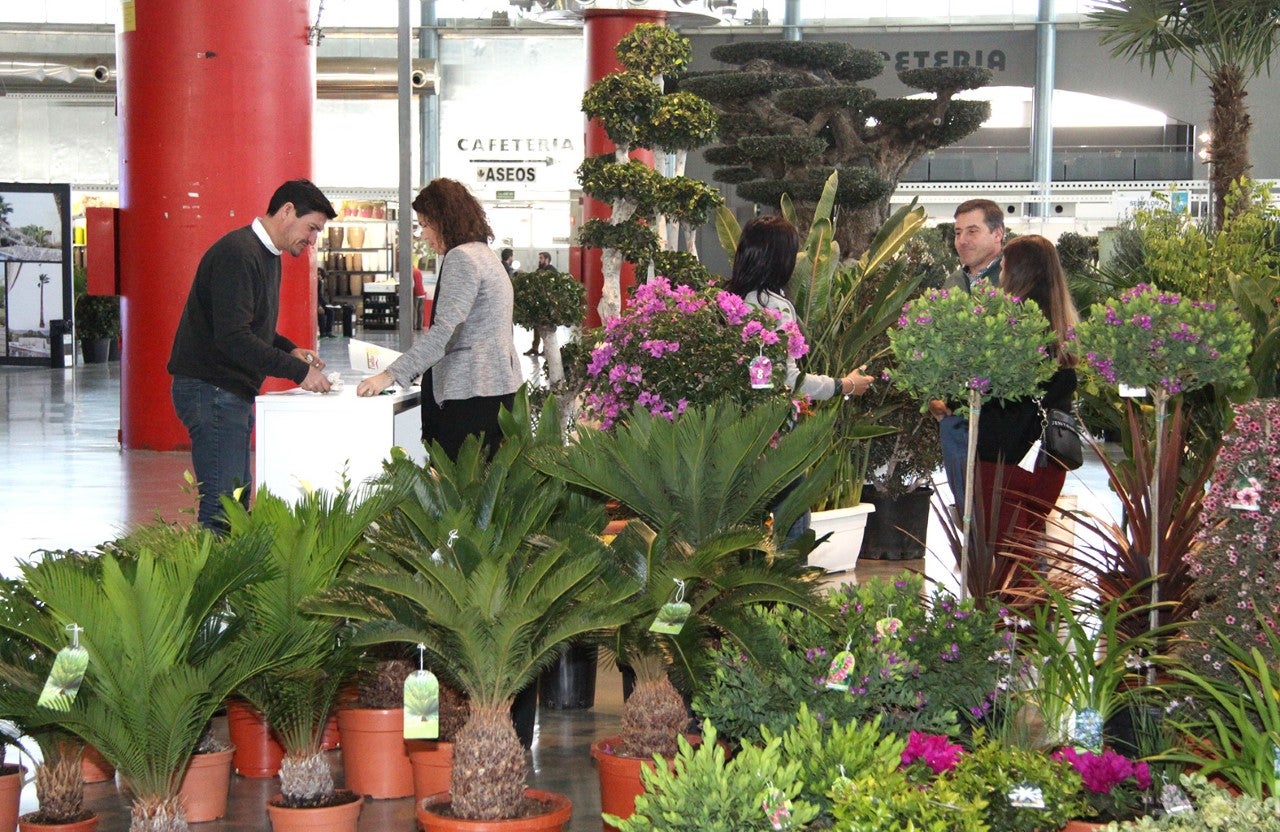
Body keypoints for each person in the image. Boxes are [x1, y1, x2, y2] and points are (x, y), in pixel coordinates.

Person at [168, 178, 336, 531]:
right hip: (213, 389)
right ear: (288, 211)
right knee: (223, 506)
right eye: (312, 228)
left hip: (227, 392)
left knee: (235, 500)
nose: (312, 240)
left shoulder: (264, 255)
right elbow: (233, 337)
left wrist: (290, 348)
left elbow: (249, 326)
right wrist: (298, 372)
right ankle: (213, 582)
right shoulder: (239, 253)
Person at [356, 178, 521, 462]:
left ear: (445, 220)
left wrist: (389, 375)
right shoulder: (487, 257)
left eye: (425, 225)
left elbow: (446, 332)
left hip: (469, 394)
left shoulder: (461, 258)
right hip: (497, 389)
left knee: (456, 493)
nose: (423, 235)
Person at [974, 234, 1078, 564]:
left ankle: (1006, 617)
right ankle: (1029, 615)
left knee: (1006, 560)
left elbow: (993, 401)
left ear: (1018, 272)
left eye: (1003, 265)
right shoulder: (1060, 331)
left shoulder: (1009, 327)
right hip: (1048, 463)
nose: (1000, 271)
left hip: (1001, 464)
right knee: (1024, 553)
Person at [724, 215, 874, 400]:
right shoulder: (773, 307)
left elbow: (758, 375)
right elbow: (786, 379)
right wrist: (845, 385)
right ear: (782, 259)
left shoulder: (728, 299)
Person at [930, 198, 1006, 519]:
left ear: (997, 234)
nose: (962, 240)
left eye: (972, 231)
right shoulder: (953, 283)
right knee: (967, 511)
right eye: (958, 232)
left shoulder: (1013, 279)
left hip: (1002, 415)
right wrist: (933, 394)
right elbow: (933, 342)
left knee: (1002, 513)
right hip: (956, 416)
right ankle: (973, 564)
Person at [523, 251, 557, 357]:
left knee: (547, 326)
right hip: (539, 302)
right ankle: (535, 348)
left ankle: (547, 348)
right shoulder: (539, 270)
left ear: (547, 259)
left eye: (541, 258)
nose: (539, 260)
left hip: (548, 303)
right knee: (537, 325)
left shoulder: (552, 271)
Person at [317, 266, 335, 337]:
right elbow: (313, 296)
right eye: (317, 274)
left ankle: (328, 331)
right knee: (321, 314)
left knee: (330, 311)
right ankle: (323, 332)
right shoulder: (313, 283)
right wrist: (318, 306)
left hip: (318, 302)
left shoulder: (319, 283)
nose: (319, 276)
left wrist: (327, 305)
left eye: (320, 274)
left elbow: (319, 296)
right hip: (313, 304)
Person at [412, 257, 428, 332]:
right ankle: (420, 326)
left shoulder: (412, 272)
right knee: (420, 311)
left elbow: (413, 284)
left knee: (414, 311)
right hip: (422, 293)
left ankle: (414, 326)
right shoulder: (418, 271)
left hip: (416, 294)